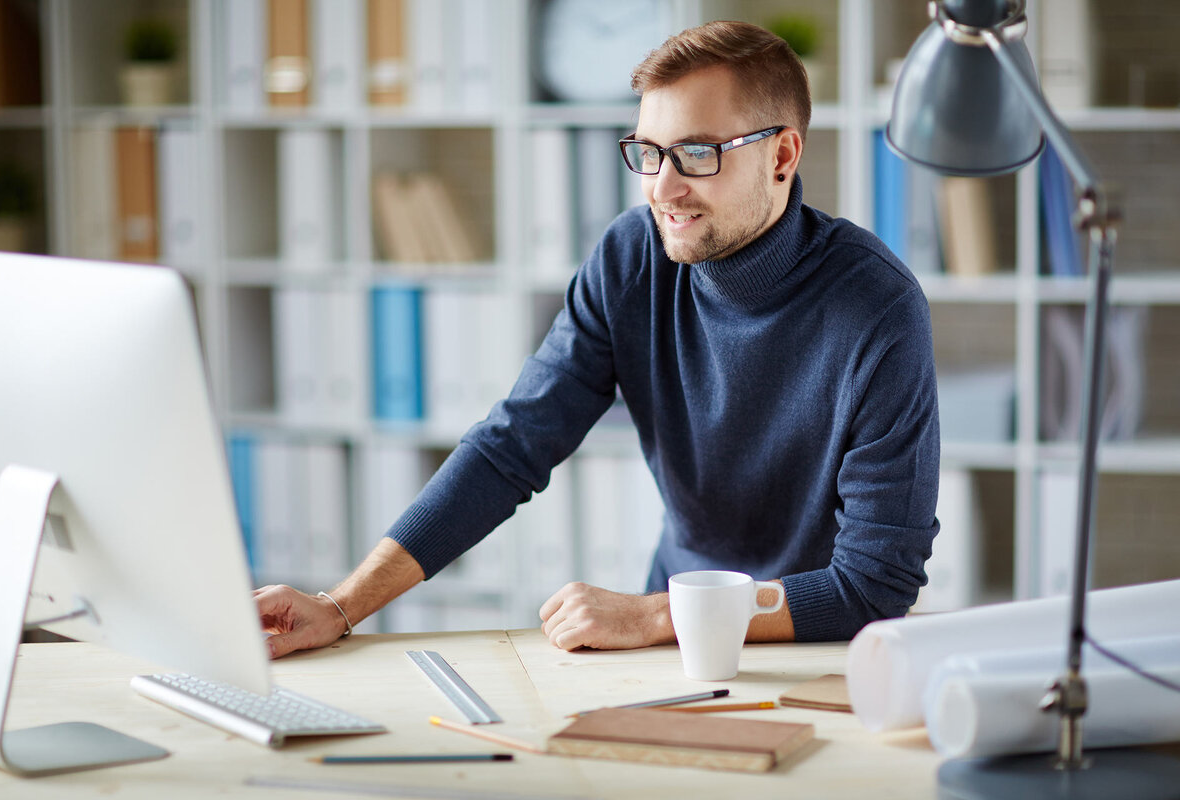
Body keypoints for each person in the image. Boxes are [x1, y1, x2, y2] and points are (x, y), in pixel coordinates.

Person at [256, 20, 940, 659]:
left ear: (783, 155)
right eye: (647, 153)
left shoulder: (877, 307)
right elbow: (509, 449)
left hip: (812, 650)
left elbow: (873, 585)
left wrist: (651, 617)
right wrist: (339, 606)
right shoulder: (631, 258)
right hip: (673, 639)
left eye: (698, 153)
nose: (661, 188)